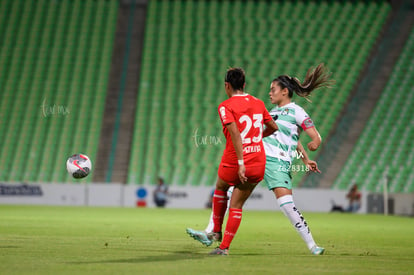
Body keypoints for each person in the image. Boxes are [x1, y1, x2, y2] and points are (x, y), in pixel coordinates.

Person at [187, 64, 333, 255]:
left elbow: (313, 137)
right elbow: (286, 137)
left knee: (286, 205)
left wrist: (313, 145)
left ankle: (312, 245)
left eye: (273, 90)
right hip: (258, 157)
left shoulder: (296, 111)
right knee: (229, 191)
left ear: (285, 91)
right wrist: (304, 158)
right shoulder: (272, 111)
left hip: (278, 163)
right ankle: (211, 232)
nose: (269, 93)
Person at [193, 67, 278, 256]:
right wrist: (257, 138)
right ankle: (224, 248)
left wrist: (241, 162)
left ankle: (216, 231)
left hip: (235, 161)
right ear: (244, 85)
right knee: (237, 205)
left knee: (221, 187)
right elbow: (274, 127)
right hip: (257, 162)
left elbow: (236, 135)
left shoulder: (226, 106)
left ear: (227, 86)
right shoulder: (258, 102)